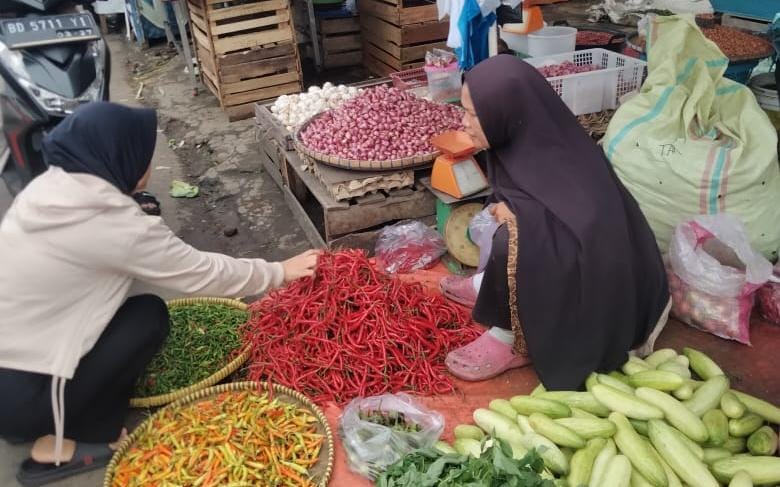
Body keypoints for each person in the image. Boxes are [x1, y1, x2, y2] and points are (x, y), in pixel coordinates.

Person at [0, 102, 320, 486]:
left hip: (11, 365)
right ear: (124, 160)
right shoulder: (114, 226)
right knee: (148, 318)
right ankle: (59, 449)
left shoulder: (53, 187)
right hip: (22, 391)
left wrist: (138, 211)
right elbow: (201, 272)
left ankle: (29, 420)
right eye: (144, 157)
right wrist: (279, 271)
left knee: (140, 312)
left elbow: (98, 244)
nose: (148, 167)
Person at [441, 55, 671, 389]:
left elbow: (588, 230)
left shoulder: (562, 156)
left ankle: (511, 338)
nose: (464, 122)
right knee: (501, 215)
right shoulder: (519, 137)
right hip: (573, 246)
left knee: (511, 235)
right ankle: (486, 287)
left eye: (472, 114)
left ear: (504, 111)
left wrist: (520, 216)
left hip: (600, 274)